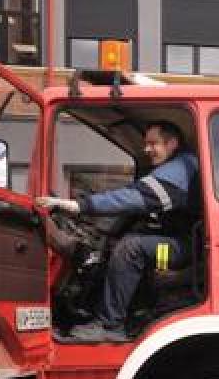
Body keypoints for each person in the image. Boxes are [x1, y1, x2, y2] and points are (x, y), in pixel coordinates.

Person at [38, 121, 199, 343]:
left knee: (130, 248)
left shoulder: (181, 167)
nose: (147, 149)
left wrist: (79, 205)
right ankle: (99, 310)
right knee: (120, 242)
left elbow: (135, 197)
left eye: (153, 143)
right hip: (177, 241)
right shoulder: (175, 166)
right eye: (146, 144)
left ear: (172, 143)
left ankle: (110, 324)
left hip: (185, 247)